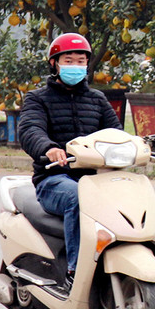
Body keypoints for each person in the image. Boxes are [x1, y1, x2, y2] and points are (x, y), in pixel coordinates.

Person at [19, 33, 122, 293]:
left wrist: (133, 146)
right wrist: (49, 148)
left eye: (80, 61)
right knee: (78, 197)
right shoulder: (38, 98)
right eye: (68, 60)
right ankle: (75, 272)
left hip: (95, 179)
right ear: (54, 64)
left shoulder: (97, 99)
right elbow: (30, 129)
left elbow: (116, 134)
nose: (75, 66)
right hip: (54, 179)